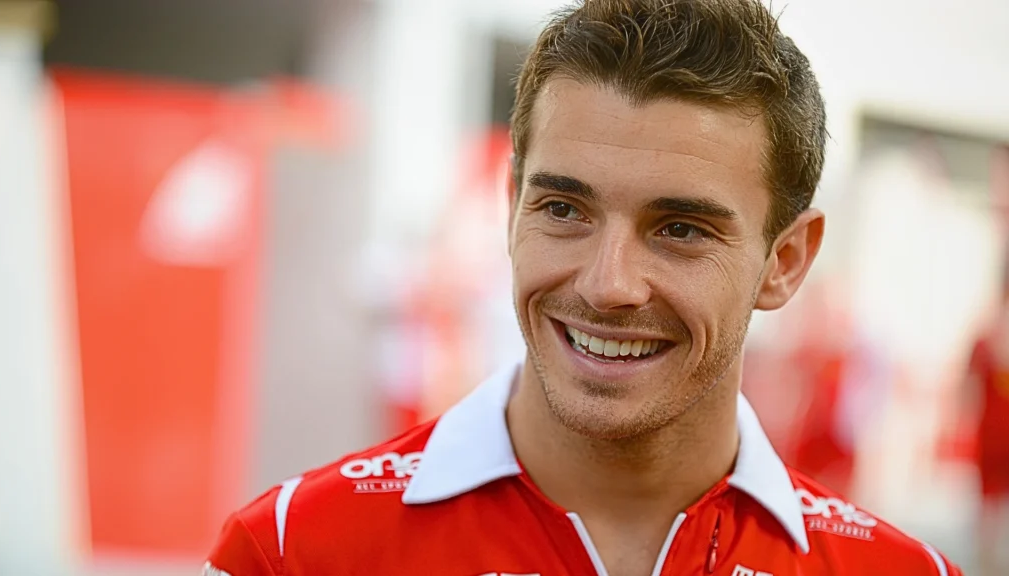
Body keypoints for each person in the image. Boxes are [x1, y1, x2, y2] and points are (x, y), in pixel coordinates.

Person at [205, 1, 961, 574]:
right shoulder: (292, 553)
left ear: (786, 261)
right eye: (564, 210)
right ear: (512, 209)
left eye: (680, 229)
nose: (608, 285)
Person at [964, 263, 1009, 576]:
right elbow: (970, 383)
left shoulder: (988, 332)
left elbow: (969, 385)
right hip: (992, 427)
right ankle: (988, 555)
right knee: (990, 495)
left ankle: (989, 554)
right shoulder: (988, 333)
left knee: (990, 497)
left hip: (992, 426)